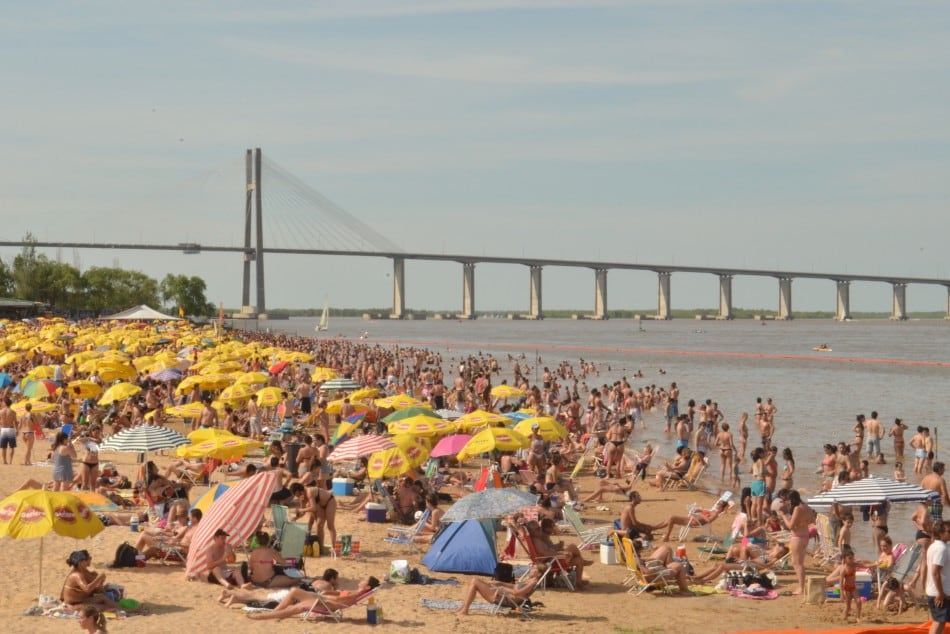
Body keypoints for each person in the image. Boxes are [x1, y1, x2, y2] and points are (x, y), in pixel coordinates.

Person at [246, 575, 380, 620]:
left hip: (325, 604)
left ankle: (263, 617)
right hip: (323, 600)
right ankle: (275, 613)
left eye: (364, 580)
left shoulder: (356, 594)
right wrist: (326, 593)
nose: (361, 579)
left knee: (297, 607)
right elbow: (339, 594)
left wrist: (324, 598)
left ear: (367, 587)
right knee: (294, 591)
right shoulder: (355, 591)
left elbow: (340, 601)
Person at [456, 563, 543, 615]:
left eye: (534, 569)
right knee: (474, 581)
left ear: (538, 573)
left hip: (506, 599)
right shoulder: (528, 580)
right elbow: (514, 586)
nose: (531, 569)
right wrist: (500, 583)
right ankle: (463, 608)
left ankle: (464, 609)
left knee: (475, 581)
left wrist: (503, 588)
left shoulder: (532, 583)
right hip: (504, 596)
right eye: (532, 568)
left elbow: (517, 593)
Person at [780, 489, 816, 596]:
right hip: (805, 536)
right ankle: (802, 587)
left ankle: (801, 588)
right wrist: (801, 523)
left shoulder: (797, 508)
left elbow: (790, 526)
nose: (787, 502)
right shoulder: (806, 506)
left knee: (796, 563)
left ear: (791, 499)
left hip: (798, 537)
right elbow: (812, 520)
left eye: (787, 500)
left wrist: (783, 516)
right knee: (800, 563)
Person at [289, 482, 337, 554]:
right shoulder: (301, 497)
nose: (297, 496)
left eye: (297, 494)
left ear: (300, 491)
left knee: (330, 525)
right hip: (320, 505)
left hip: (329, 501)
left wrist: (300, 509)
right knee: (319, 525)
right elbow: (303, 512)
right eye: (296, 495)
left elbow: (313, 508)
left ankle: (334, 548)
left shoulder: (309, 492)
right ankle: (320, 547)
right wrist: (295, 518)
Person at [660, 499, 729, 542]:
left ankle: (666, 537)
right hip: (692, 519)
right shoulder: (713, 511)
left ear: (721, 508)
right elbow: (704, 512)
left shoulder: (715, 513)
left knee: (672, 518)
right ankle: (654, 528)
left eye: (719, 504)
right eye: (718, 503)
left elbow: (709, 521)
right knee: (670, 518)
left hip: (694, 522)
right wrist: (699, 510)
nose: (717, 504)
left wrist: (700, 514)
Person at [826, 547, 862, 623]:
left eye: (853, 558)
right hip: (847, 588)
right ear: (845, 559)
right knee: (848, 606)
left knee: (859, 601)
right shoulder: (843, 569)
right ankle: (844, 618)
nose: (852, 560)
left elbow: (864, 565)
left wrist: (875, 563)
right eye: (850, 558)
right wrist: (841, 595)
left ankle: (858, 617)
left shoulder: (854, 564)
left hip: (853, 587)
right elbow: (841, 583)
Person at [927, 520, 950, 634]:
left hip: (937, 591)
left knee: (941, 621)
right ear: (941, 533)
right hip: (939, 593)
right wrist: (940, 593)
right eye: (949, 531)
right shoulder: (941, 548)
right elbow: (935, 571)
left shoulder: (935, 546)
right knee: (939, 621)